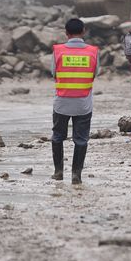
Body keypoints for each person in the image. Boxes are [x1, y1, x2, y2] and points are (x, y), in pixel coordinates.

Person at [50, 18, 100, 185]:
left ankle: (58, 172)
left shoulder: (58, 50)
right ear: (83, 31)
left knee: (57, 137)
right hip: (83, 104)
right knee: (81, 139)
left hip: (61, 103)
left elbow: (53, 74)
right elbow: (95, 73)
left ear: (66, 33)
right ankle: (76, 175)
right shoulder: (93, 51)